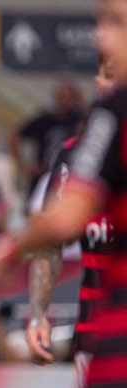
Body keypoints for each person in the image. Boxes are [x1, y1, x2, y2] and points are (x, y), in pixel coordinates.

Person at [0, 2, 127, 388]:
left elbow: (60, 223)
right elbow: (58, 243)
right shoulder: (74, 151)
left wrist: (9, 246)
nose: (101, 43)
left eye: (113, 28)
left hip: (116, 355)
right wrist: (40, 310)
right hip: (96, 334)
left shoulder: (113, 118)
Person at [26, 52, 117, 367]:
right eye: (108, 73)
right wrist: (38, 314)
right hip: (96, 337)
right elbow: (50, 244)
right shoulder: (71, 157)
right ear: (96, 82)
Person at [9, 78, 86, 196]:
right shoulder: (45, 120)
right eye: (61, 97)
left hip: (67, 177)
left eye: (68, 98)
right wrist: (23, 164)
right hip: (43, 177)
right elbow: (15, 136)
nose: (64, 102)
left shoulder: (78, 120)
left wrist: (81, 101)